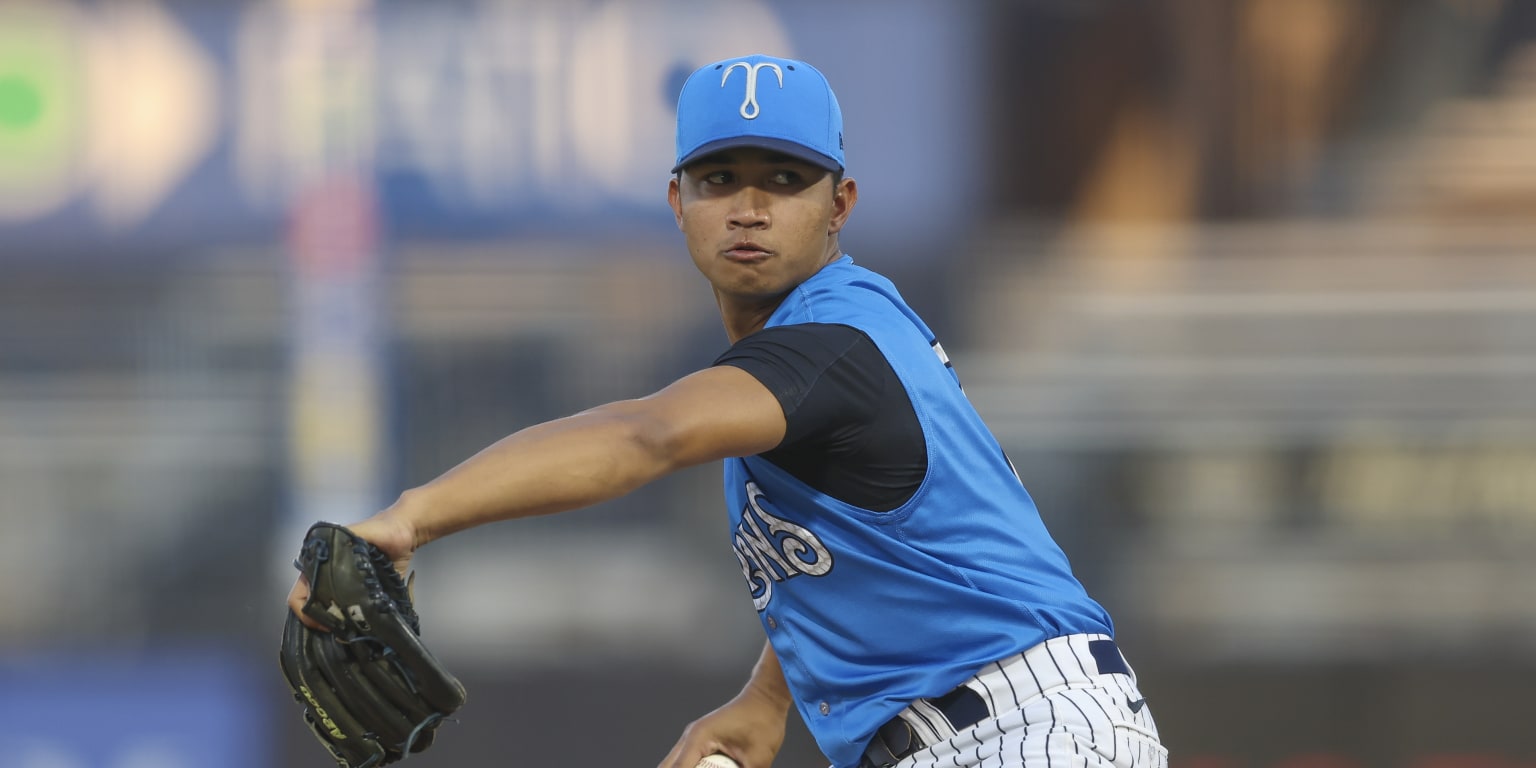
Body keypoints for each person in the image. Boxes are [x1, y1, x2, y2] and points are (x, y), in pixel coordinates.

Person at [287, 53, 1167, 768]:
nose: (748, 207)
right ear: (679, 202)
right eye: (720, 178)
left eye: (784, 178)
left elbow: (646, 436)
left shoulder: (832, 345)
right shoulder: (806, 357)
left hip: (1027, 735)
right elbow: (870, 555)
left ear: (839, 206)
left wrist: (410, 519)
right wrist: (765, 700)